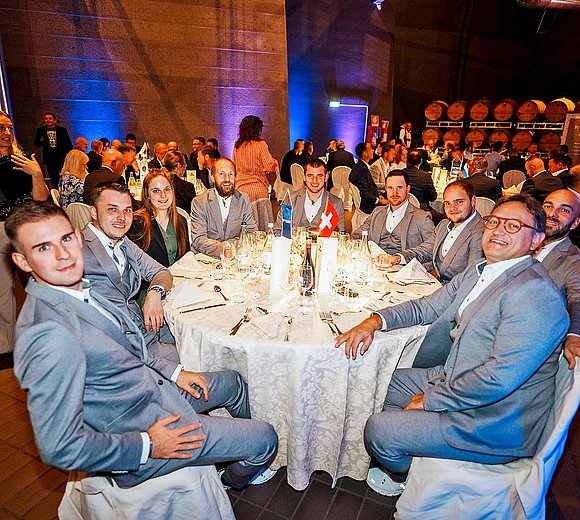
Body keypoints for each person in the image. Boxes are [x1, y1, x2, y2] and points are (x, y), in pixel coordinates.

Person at [7, 201, 278, 491]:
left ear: (77, 235)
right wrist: (147, 445)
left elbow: (128, 347)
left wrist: (174, 374)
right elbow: (59, 447)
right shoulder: (46, 334)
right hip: (146, 428)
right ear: (22, 261)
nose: (63, 255)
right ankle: (227, 481)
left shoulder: (74, 288)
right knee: (266, 439)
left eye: (65, 239)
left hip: (156, 392)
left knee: (233, 383)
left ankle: (233, 447)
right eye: (43, 248)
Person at [336, 194, 568, 496]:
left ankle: (416, 476)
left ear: (536, 239)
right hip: (454, 378)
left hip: (493, 421)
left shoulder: (535, 294)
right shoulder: (481, 271)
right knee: (377, 381)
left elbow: (498, 378)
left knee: (378, 431)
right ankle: (418, 448)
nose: (498, 230)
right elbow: (426, 307)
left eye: (513, 226)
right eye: (493, 222)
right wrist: (374, 321)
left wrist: (432, 400)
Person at [0, 110, 49, 354]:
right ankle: (6, 347)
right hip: (1, 229)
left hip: (28, 226)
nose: (7, 133)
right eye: (1, 128)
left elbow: (41, 198)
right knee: (3, 291)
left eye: (9, 128)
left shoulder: (23, 161)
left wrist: (36, 174)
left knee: (42, 283)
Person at [375, 180, 483, 284]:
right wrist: (396, 258)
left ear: (473, 201)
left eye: (459, 202)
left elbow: (472, 278)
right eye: (447, 203)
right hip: (434, 285)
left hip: (456, 292)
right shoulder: (443, 225)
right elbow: (425, 250)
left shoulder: (481, 233)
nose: (452, 208)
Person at [537, 189, 580, 369]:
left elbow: (577, 299)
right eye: (548, 206)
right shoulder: (521, 240)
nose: (551, 214)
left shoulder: (573, 260)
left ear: (575, 223)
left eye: (563, 210)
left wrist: (574, 336)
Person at [351, 170, 434, 254]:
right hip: (374, 259)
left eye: (399, 187)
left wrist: (400, 258)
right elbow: (359, 233)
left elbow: (431, 247)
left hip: (404, 261)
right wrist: (350, 240)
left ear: (408, 189)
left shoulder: (422, 218)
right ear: (386, 189)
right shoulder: (377, 212)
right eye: (390, 188)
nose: (394, 193)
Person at [191, 157, 257, 257]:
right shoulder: (199, 202)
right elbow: (199, 240)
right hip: (207, 258)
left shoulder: (243, 200)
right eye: (221, 174)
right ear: (212, 177)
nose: (227, 179)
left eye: (231, 174)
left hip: (235, 258)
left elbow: (252, 234)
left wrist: (226, 245)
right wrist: (224, 251)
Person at [128, 169, 190, 268]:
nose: (163, 195)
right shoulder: (137, 223)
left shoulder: (181, 221)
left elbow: (186, 258)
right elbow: (135, 264)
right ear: (147, 195)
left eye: (167, 189)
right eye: (156, 191)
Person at [274, 158, 344, 233]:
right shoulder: (290, 200)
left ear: (326, 177)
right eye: (310, 176)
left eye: (319, 176)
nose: (314, 181)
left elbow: (341, 234)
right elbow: (278, 230)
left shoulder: (336, 203)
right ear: (304, 177)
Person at [231, 115, 278, 202]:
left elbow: (234, 168)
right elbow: (269, 167)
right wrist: (275, 163)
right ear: (257, 129)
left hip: (240, 188)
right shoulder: (261, 144)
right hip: (258, 188)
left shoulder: (237, 146)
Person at [33, 112, 73, 188]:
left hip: (61, 157)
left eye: (50, 118)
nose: (48, 120)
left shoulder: (62, 130)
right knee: (53, 177)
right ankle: (55, 191)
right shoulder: (41, 130)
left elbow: (68, 144)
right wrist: (40, 140)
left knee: (64, 175)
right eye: (46, 119)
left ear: (55, 120)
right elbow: (37, 144)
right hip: (49, 158)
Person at [349, 142, 386, 215]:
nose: (373, 150)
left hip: (368, 202)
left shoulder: (360, 166)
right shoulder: (362, 169)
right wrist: (378, 200)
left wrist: (378, 197)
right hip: (367, 206)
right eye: (370, 149)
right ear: (364, 153)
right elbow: (364, 193)